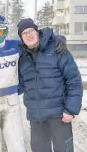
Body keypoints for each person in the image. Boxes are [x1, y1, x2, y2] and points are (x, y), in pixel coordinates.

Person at [0, 13, 67, 152]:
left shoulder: (16, 47)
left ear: (6, 32)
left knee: (16, 143)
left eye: (0, 31)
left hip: (11, 102)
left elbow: (36, 40)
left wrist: (57, 39)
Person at [17, 18, 83, 152]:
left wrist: (70, 109)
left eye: (31, 31)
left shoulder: (57, 49)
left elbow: (74, 80)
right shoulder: (22, 58)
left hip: (59, 116)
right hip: (36, 118)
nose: (29, 35)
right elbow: (19, 85)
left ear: (38, 32)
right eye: (24, 33)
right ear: (21, 38)